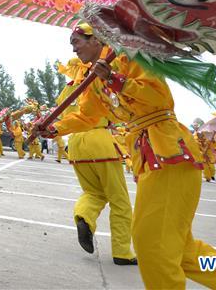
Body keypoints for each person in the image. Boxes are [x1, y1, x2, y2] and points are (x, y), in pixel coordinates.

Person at [40, 24, 216, 290]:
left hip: (168, 150)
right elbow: (87, 116)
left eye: (77, 40)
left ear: (97, 39)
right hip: (148, 156)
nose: (73, 47)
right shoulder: (94, 81)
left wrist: (116, 79)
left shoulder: (131, 58)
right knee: (179, 247)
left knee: (151, 243)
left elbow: (159, 97)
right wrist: (54, 127)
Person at [52, 42, 136, 266]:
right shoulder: (95, 80)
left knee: (93, 192)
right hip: (99, 139)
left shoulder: (67, 90)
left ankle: (84, 217)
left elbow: (63, 116)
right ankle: (122, 252)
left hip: (76, 143)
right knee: (120, 201)